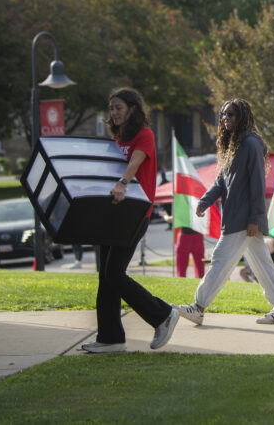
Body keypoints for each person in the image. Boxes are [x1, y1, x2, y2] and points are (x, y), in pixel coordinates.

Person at [81, 88, 179, 354]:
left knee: (113, 273)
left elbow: (135, 162)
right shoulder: (118, 138)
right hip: (113, 212)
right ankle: (110, 337)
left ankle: (162, 315)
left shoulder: (143, 135)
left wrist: (123, 183)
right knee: (106, 276)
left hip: (135, 213)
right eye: (111, 108)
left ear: (132, 109)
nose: (114, 113)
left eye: (119, 108)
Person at [177, 99, 274, 326]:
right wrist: (205, 201)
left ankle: (198, 307)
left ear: (242, 116)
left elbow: (257, 184)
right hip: (237, 217)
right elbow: (221, 180)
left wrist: (254, 219)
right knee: (263, 265)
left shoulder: (250, 143)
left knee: (220, 260)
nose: (225, 119)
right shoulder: (234, 144)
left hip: (244, 219)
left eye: (230, 115)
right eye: (223, 115)